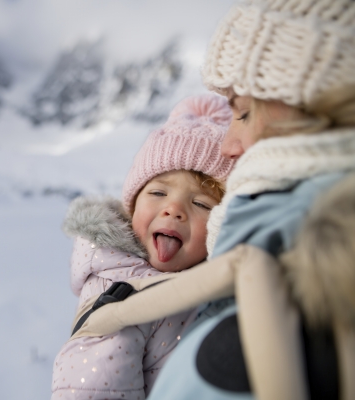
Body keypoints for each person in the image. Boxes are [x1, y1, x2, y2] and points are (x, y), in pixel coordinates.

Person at [69, 1, 355, 399]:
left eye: (241, 113)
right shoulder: (121, 296)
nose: (229, 145)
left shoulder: (274, 289)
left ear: (306, 109)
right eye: (156, 191)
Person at [51, 93, 235, 400]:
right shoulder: (119, 291)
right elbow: (93, 388)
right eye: (159, 193)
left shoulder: (219, 282)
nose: (173, 209)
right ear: (132, 206)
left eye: (201, 203)